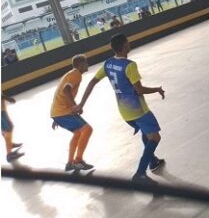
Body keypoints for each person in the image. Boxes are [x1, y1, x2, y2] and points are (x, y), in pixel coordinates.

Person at [80, 33, 166, 184]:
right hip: (139, 110)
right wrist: (157, 89)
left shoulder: (107, 64)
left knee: (147, 135)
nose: (129, 44)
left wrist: (81, 104)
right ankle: (140, 174)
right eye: (127, 42)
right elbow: (139, 90)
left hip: (124, 112)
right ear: (124, 45)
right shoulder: (129, 65)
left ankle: (152, 161)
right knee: (154, 138)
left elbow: (92, 82)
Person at [50, 54, 95, 172]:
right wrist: (76, 106)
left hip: (58, 112)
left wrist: (56, 117)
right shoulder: (76, 74)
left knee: (78, 133)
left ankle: (70, 163)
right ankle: (78, 160)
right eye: (86, 62)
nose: (88, 64)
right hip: (63, 111)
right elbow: (65, 90)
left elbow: (61, 92)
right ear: (80, 65)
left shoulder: (71, 74)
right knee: (87, 129)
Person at [2, 92, 24, 162]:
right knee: (8, 128)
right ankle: (9, 154)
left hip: (2, 109)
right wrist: (8, 98)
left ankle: (10, 144)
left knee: (6, 128)